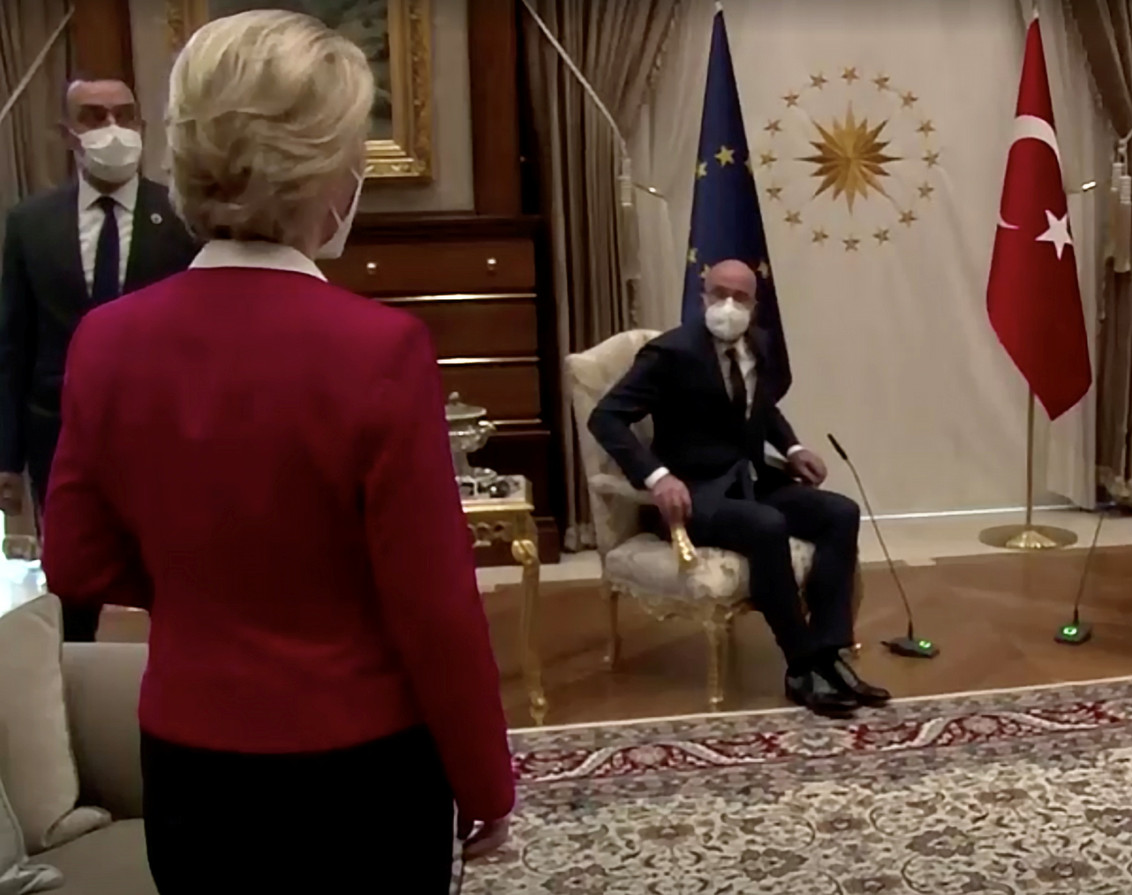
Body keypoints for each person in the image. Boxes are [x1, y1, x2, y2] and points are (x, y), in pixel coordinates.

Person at [39, 12, 513, 892]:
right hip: (359, 765)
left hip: (189, 757)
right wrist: (486, 782)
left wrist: (205, 583)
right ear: (324, 173)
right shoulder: (379, 350)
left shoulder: (105, 341)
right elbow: (434, 608)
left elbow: (75, 561)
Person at [589, 259, 888, 718]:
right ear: (703, 296)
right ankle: (801, 664)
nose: (728, 305)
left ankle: (831, 654)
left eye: (740, 296)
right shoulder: (670, 353)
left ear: (754, 304)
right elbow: (606, 417)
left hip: (749, 480)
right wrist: (657, 476)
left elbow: (761, 406)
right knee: (766, 525)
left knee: (839, 513)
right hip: (694, 494)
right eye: (719, 293)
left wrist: (792, 448)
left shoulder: (759, 345)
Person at [0, 75, 198, 642]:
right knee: (72, 576)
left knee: (172, 571)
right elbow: (13, 343)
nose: (111, 128)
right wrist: (7, 458)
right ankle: (70, 676)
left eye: (123, 114)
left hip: (162, 429)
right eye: (93, 116)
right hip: (60, 430)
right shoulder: (30, 223)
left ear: (141, 125)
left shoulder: (183, 218)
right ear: (68, 133)